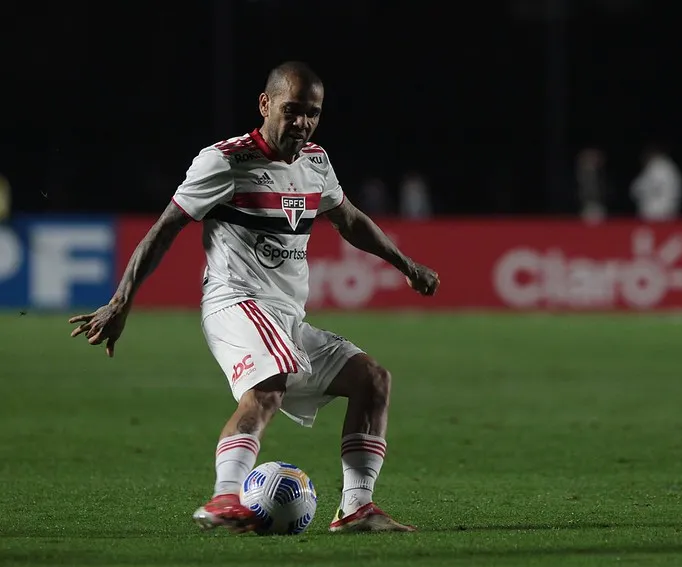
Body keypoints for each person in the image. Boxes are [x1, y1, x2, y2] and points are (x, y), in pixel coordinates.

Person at [68, 61, 440, 534]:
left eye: (313, 113)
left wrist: (406, 265)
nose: (303, 122)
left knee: (372, 380)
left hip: (287, 318)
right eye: (293, 110)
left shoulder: (315, 162)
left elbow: (350, 220)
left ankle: (356, 509)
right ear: (266, 104)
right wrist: (121, 301)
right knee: (268, 386)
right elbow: (165, 229)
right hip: (235, 302)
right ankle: (225, 497)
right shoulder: (224, 161)